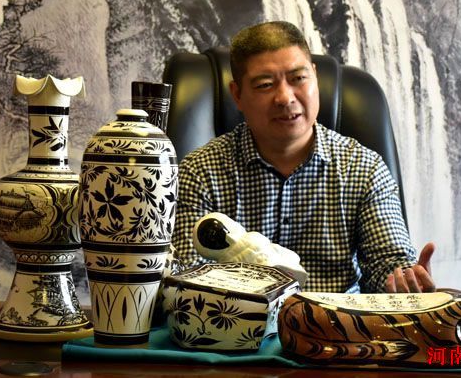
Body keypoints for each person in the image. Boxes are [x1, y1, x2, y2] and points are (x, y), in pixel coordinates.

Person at [173, 21, 436, 293]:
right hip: (243, 317)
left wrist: (405, 281)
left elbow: (388, 264)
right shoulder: (200, 171)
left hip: (339, 318)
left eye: (298, 78)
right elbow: (187, 277)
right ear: (237, 95)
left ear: (315, 77)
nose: (285, 97)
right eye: (265, 85)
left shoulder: (365, 168)